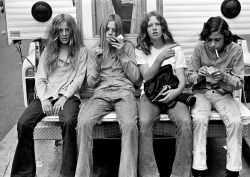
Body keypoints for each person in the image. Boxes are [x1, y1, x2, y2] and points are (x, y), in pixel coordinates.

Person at [11, 14, 87, 177]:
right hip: (47, 95)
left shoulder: (81, 51)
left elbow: (79, 79)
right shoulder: (48, 51)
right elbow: (40, 77)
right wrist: (44, 98)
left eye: (67, 30)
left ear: (72, 31)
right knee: (23, 123)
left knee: (68, 122)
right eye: (61, 30)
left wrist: (64, 97)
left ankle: (67, 173)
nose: (64, 34)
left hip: (69, 97)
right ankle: (24, 173)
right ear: (56, 32)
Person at [75, 14, 140, 177]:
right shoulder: (95, 51)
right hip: (102, 92)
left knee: (130, 125)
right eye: (107, 30)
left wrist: (122, 54)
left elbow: (136, 78)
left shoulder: (128, 47)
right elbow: (90, 83)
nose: (110, 33)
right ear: (102, 32)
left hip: (124, 90)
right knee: (83, 122)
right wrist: (97, 65)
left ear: (120, 32)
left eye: (114, 30)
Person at [135, 11, 193, 177]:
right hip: (150, 95)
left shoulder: (176, 48)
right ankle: (149, 174)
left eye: (157, 24)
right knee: (145, 122)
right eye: (149, 25)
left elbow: (182, 79)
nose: (154, 28)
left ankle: (180, 173)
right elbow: (146, 76)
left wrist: (176, 92)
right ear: (145, 30)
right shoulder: (141, 50)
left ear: (163, 27)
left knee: (184, 122)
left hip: (172, 93)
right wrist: (160, 58)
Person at [187, 16, 244, 177]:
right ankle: (198, 168)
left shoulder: (236, 50)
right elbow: (189, 78)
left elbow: (239, 83)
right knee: (198, 119)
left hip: (223, 93)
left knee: (235, 121)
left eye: (217, 40)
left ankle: (233, 170)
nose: (212, 44)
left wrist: (224, 77)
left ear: (225, 36)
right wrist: (198, 74)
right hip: (202, 92)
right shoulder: (200, 48)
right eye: (209, 40)